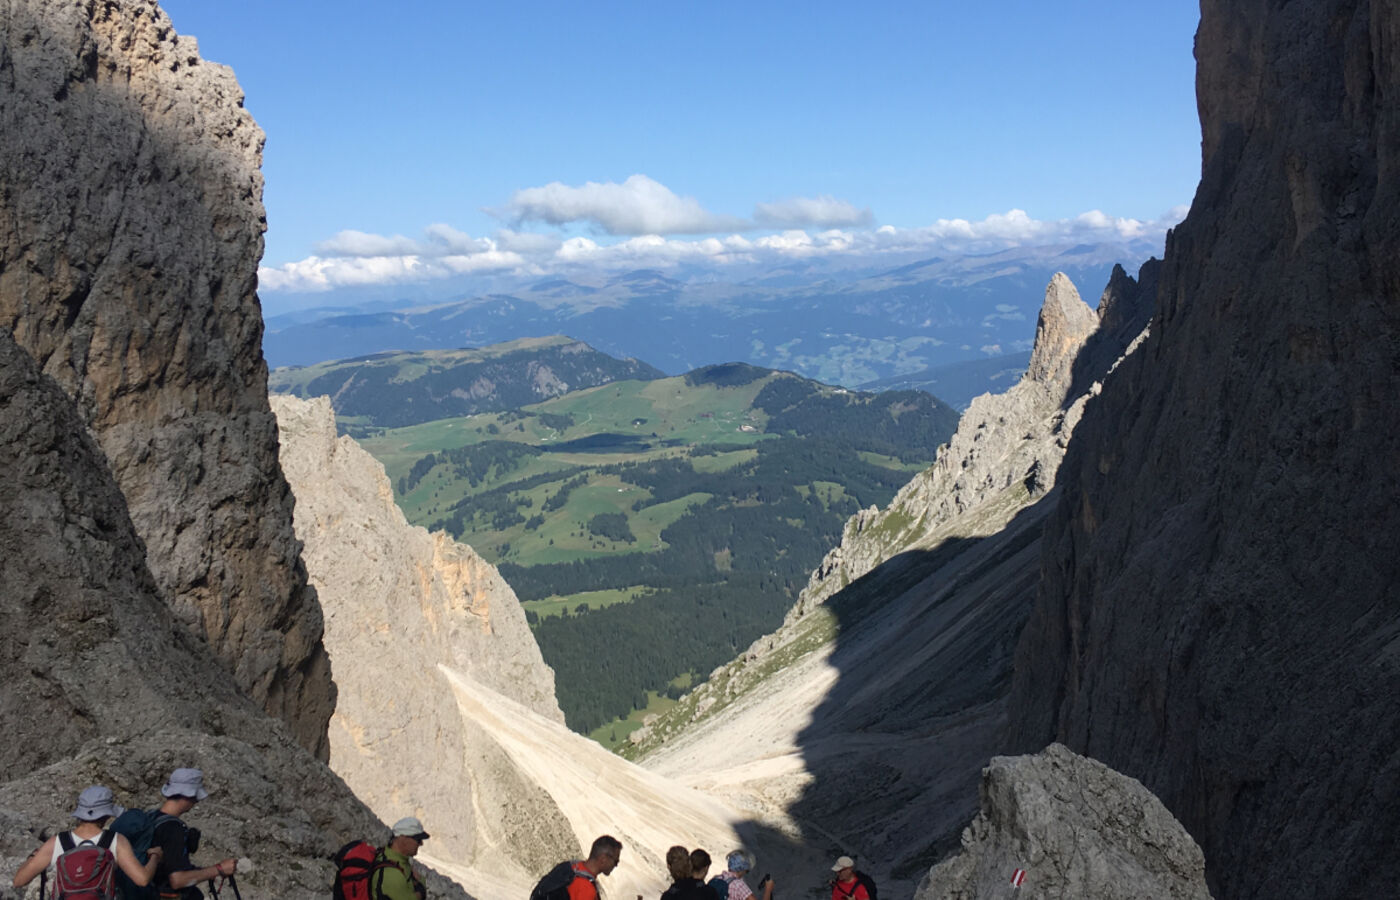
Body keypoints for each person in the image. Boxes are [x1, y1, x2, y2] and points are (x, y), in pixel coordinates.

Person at [12, 785, 162, 896]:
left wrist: (33, 856)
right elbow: (142, 879)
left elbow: (19, 881)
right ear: (107, 815)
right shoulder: (116, 840)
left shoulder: (58, 841)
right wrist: (155, 857)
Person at [149, 767, 237, 900]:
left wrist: (204, 872)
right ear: (188, 795)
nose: (196, 801)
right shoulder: (173, 829)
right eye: (196, 796)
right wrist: (219, 869)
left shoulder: (151, 817)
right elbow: (177, 880)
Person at [530, 835, 622, 900]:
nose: (616, 865)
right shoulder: (586, 888)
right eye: (616, 861)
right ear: (603, 859)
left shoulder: (571, 867)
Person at [372, 817, 429, 900]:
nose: (421, 843)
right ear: (403, 838)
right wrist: (421, 886)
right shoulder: (392, 875)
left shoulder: (395, 859)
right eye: (418, 839)